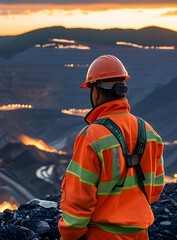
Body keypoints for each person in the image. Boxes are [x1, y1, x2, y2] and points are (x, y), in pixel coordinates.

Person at [58, 55, 165, 240]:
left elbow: (78, 199)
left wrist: (69, 235)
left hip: (102, 234)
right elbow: (155, 189)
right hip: (140, 233)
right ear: (122, 89)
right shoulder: (150, 132)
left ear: (96, 91)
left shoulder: (91, 136)